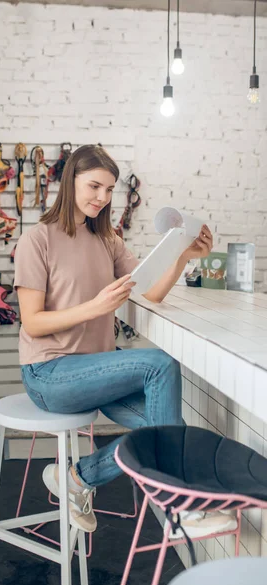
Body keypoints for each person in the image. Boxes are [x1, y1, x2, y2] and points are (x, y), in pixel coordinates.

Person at [14, 145, 235, 538]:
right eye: (94, 186)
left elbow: (149, 292)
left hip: (94, 370)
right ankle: (180, 507)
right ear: (71, 181)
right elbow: (32, 323)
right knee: (158, 364)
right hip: (49, 374)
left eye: (109, 189)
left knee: (164, 429)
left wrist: (184, 255)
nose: (101, 197)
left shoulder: (107, 241)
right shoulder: (38, 240)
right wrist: (95, 306)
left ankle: (79, 478)